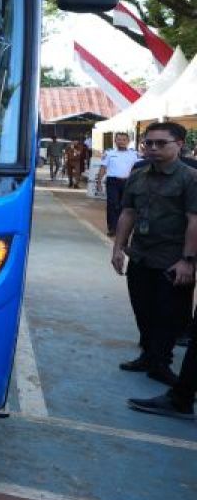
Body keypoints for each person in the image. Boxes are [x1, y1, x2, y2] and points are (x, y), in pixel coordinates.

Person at [110, 122, 197, 387]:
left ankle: (161, 363)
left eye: (161, 143)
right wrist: (118, 247)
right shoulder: (138, 174)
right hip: (141, 255)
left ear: (179, 145)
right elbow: (128, 213)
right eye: (149, 143)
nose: (153, 148)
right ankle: (148, 356)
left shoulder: (190, 178)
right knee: (143, 309)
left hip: (173, 259)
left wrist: (188, 261)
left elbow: (195, 220)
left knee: (169, 315)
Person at [97, 132, 139, 235]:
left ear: (128, 142)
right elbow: (103, 168)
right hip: (113, 181)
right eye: (119, 139)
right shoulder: (109, 153)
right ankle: (112, 228)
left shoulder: (134, 154)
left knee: (125, 206)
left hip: (128, 182)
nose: (121, 142)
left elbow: (139, 169)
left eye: (124, 140)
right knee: (112, 204)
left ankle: (122, 228)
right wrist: (98, 182)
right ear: (115, 141)